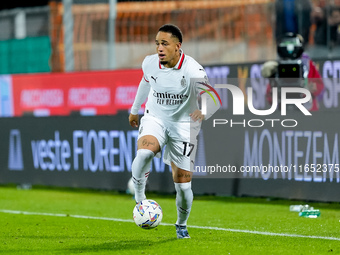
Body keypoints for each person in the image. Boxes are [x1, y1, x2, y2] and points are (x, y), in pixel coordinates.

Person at [128, 24, 220, 239]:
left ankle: (181, 224)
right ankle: (140, 199)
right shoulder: (150, 63)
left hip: (183, 126)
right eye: (157, 43)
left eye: (165, 44)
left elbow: (213, 98)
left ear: (178, 46)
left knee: (183, 185)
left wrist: (204, 111)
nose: (159, 48)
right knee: (144, 152)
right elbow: (145, 83)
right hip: (155, 118)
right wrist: (134, 110)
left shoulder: (192, 70)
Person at [262, 33, 324, 111]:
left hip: (307, 109)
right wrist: (273, 92)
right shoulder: (277, 66)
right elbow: (269, 96)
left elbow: (319, 86)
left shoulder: (307, 64)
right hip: (284, 110)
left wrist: (312, 88)